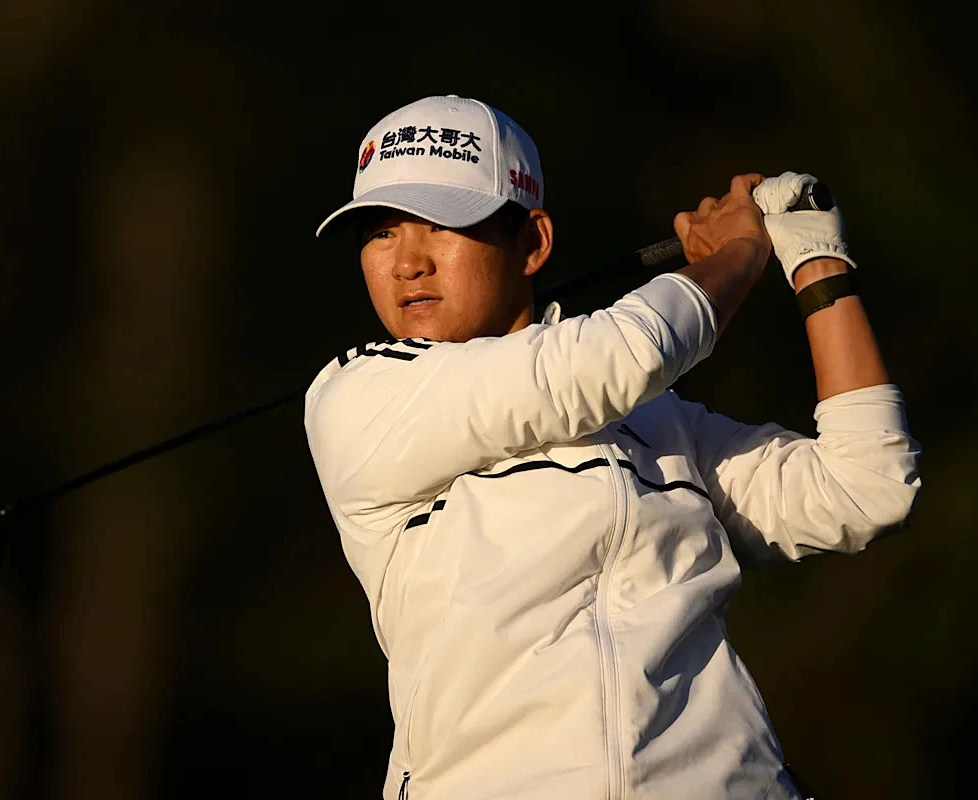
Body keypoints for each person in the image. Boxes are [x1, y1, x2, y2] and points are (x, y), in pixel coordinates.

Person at [303, 93, 921, 800]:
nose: (408, 263)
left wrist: (815, 260)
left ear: (533, 242)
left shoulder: (659, 425)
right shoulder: (359, 398)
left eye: (443, 224)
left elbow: (867, 485)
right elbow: (619, 355)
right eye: (381, 232)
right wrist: (742, 252)